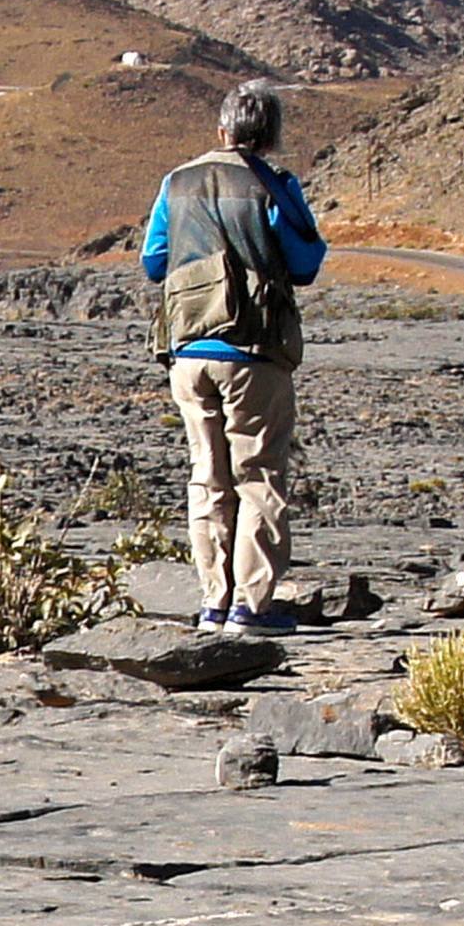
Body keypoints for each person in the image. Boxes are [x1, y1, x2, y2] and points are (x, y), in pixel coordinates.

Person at [139, 81, 325, 627]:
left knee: (208, 475)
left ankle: (212, 601)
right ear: (269, 137)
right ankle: (253, 603)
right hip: (254, 347)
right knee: (260, 475)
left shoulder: (177, 182)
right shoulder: (274, 184)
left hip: (187, 346)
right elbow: (306, 260)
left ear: (222, 130)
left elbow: (155, 260)